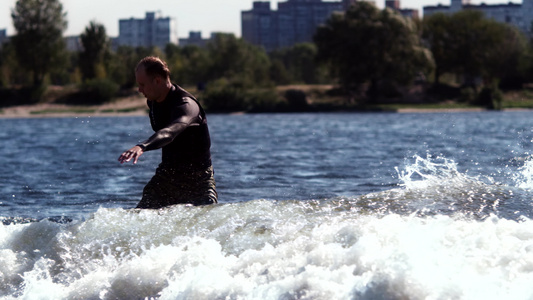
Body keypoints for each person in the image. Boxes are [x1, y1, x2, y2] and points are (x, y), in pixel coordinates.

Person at [118, 56, 217, 208]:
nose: (139, 90)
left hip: (198, 180)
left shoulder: (186, 105)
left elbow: (169, 133)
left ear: (157, 80)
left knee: (204, 221)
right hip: (168, 176)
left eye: (142, 84)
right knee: (139, 218)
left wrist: (143, 146)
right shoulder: (153, 102)